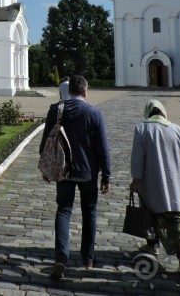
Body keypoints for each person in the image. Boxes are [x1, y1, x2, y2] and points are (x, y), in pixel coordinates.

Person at [40, 74, 111, 279]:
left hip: (63, 170)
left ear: (69, 90)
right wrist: (106, 176)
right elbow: (102, 148)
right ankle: (87, 259)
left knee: (63, 211)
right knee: (89, 212)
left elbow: (46, 140)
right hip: (88, 172)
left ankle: (61, 257)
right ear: (85, 91)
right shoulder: (94, 113)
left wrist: (45, 168)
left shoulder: (56, 110)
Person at [129, 99, 180, 274]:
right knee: (175, 219)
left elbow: (137, 159)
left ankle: (152, 245)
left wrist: (136, 179)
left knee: (150, 214)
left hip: (151, 181)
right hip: (173, 182)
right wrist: (172, 164)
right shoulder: (176, 128)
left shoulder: (142, 129)